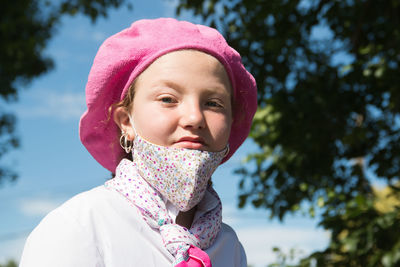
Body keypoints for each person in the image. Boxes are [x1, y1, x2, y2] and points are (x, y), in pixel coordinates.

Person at [20, 18, 257, 267]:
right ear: (126, 122)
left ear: (231, 122)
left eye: (213, 103)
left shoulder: (229, 246)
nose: (195, 118)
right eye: (167, 99)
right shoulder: (79, 227)